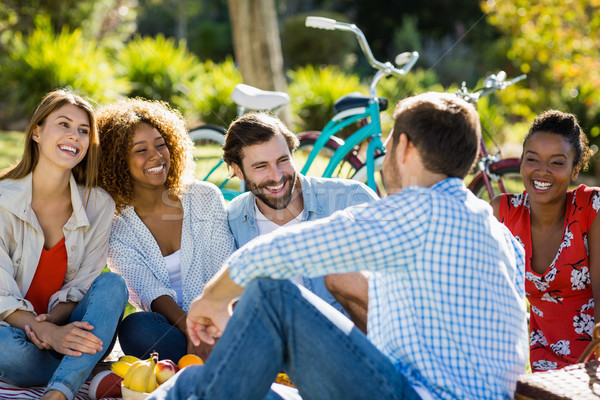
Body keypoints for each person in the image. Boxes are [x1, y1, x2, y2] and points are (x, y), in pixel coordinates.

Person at [147, 92, 529, 400]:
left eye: (392, 136)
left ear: (406, 147)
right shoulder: (497, 232)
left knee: (273, 294)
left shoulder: (416, 212)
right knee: (214, 386)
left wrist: (211, 299)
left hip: (413, 394)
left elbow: (272, 255)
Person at [0, 90, 128, 400]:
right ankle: (87, 370)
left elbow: (85, 283)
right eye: (64, 124)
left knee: (113, 285)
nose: (75, 136)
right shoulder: (3, 198)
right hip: (14, 332)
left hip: (72, 329)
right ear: (36, 133)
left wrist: (56, 328)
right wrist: (41, 330)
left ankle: (58, 392)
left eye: (84, 131)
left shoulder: (98, 204)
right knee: (9, 354)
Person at [97, 98, 236, 363]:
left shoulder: (204, 196)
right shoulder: (116, 227)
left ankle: (208, 359)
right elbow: (150, 292)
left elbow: (225, 268)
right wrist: (191, 331)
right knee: (136, 328)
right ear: (117, 160)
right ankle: (214, 360)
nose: (156, 155)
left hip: (225, 316)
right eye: (141, 150)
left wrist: (211, 327)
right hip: (176, 330)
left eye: (161, 144)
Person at [224, 112, 378, 331]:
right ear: (237, 170)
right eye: (261, 166)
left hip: (358, 343)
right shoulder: (233, 219)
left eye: (283, 160)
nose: (277, 176)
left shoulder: (351, 199)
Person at [491, 110, 600, 372]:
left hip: (593, 361)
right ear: (521, 164)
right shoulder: (502, 213)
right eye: (532, 159)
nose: (542, 171)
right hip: (542, 363)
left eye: (557, 163)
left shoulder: (591, 208)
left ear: (575, 171)